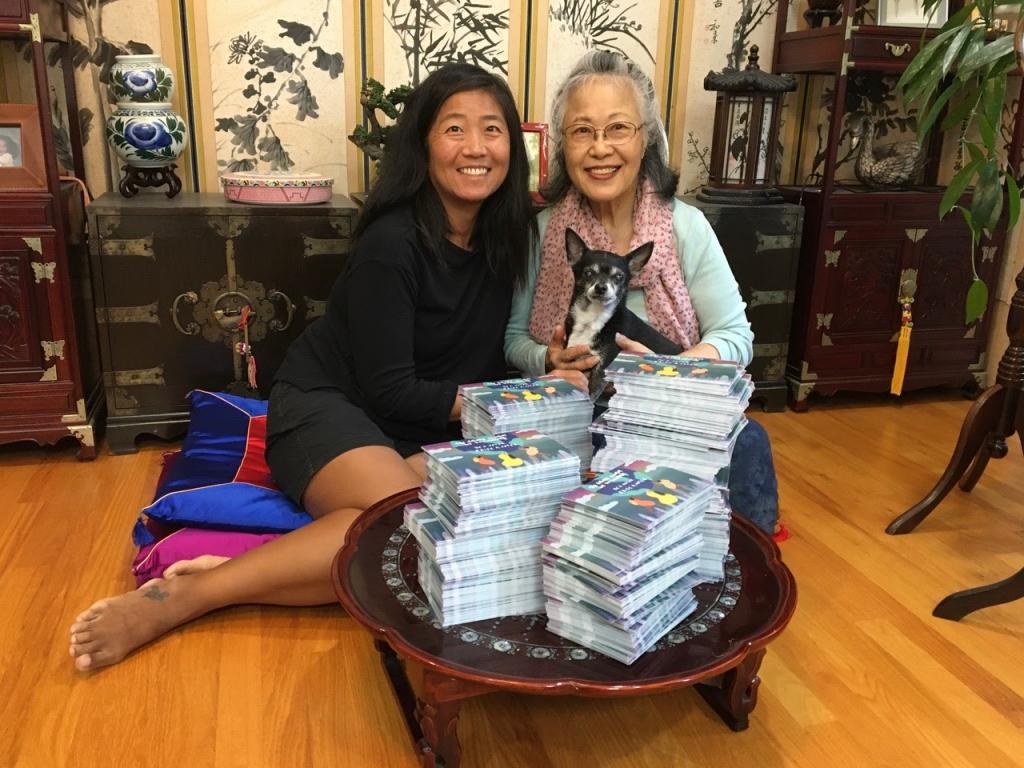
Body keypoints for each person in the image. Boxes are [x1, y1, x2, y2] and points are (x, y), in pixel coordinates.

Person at [68, 62, 536, 671]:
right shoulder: (393, 244)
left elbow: (510, 346)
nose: (475, 147)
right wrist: (496, 405)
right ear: (424, 144)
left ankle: (258, 562)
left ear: (512, 146)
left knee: (447, 537)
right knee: (403, 527)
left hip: (422, 429)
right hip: (329, 406)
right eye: (454, 129)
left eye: (492, 130)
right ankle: (190, 596)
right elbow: (392, 391)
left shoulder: (510, 238)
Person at [504, 51, 778, 533]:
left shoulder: (685, 227)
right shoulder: (544, 234)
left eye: (617, 129)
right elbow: (512, 339)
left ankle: (733, 577)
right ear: (563, 146)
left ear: (645, 137)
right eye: (582, 131)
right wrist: (549, 361)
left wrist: (669, 371)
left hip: (667, 406)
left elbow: (736, 335)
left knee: (748, 442)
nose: (599, 148)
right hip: (572, 402)